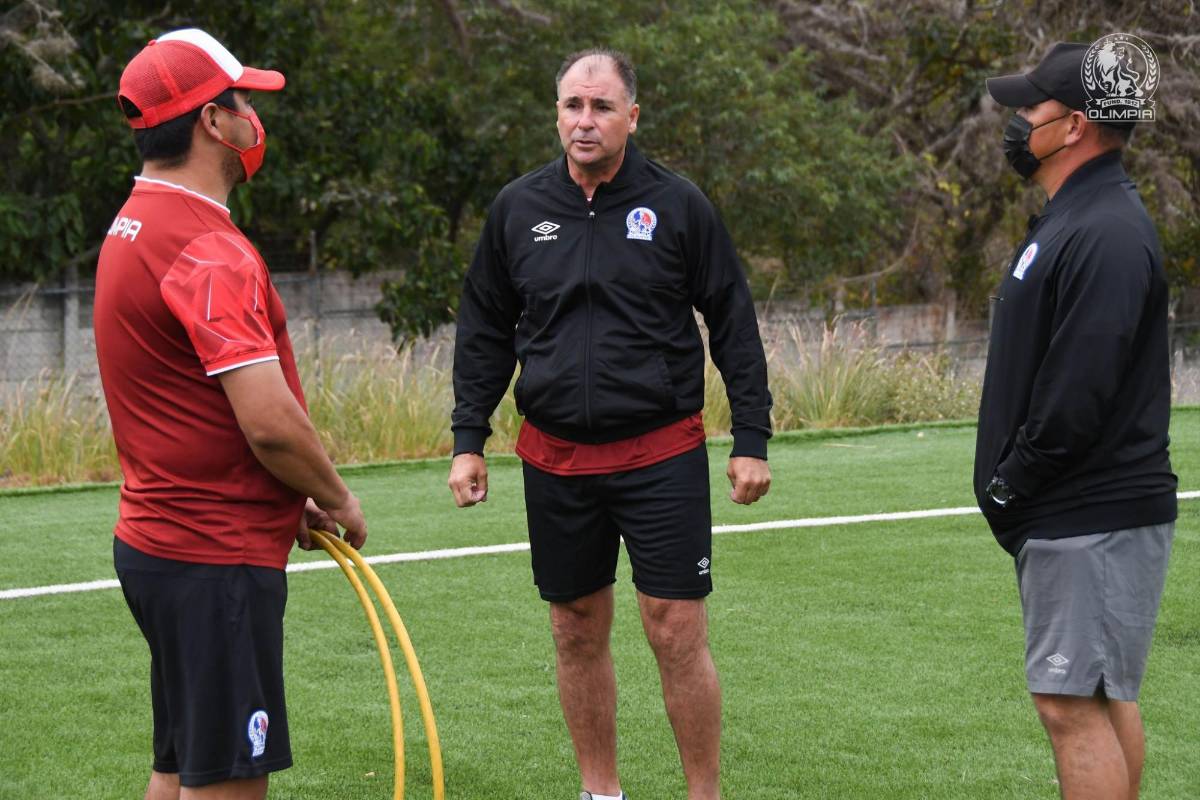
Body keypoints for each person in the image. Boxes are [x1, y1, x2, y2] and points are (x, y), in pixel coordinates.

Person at [448, 48, 772, 800]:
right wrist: (469, 439)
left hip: (660, 456)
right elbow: (484, 329)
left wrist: (750, 437)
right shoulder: (518, 209)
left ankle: (703, 795)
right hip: (555, 461)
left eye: (601, 107)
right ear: (557, 114)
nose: (584, 121)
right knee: (574, 627)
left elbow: (732, 319)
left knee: (674, 628)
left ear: (632, 115)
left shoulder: (679, 205)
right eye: (572, 106)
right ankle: (601, 792)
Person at [94, 29, 367, 800]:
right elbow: (269, 423)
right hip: (213, 558)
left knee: (180, 766)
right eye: (242, 101)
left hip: (158, 545)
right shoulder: (206, 247)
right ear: (213, 121)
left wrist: (288, 497)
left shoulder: (134, 221)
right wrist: (337, 496)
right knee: (227, 782)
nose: (254, 117)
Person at [976, 41, 1177, 800]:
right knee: (1099, 693)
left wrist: (1012, 483)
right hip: (1079, 509)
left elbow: (1078, 389)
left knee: (1072, 703)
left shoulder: (1106, 228)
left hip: (1087, 507)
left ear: (1074, 126)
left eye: (1031, 108)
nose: (1018, 121)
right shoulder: (1078, 216)